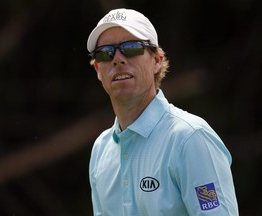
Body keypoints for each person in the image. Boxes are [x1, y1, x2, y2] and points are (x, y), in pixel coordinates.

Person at [86, 8, 239, 216]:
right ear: (98, 70)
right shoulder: (100, 150)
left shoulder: (191, 139)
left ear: (157, 61)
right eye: (105, 52)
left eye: (131, 48)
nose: (118, 59)